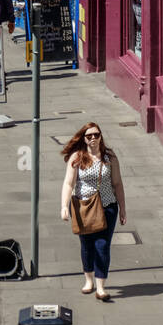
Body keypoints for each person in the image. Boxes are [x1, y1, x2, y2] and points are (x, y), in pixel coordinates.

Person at [59, 122, 126, 301]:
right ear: (84, 138)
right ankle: (88, 280)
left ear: (101, 136)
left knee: (102, 246)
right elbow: (68, 183)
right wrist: (64, 206)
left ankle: (100, 287)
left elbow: (117, 184)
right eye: (89, 136)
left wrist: (122, 208)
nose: (94, 138)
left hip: (107, 207)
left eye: (96, 135)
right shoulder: (77, 157)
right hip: (83, 207)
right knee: (87, 245)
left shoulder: (109, 157)